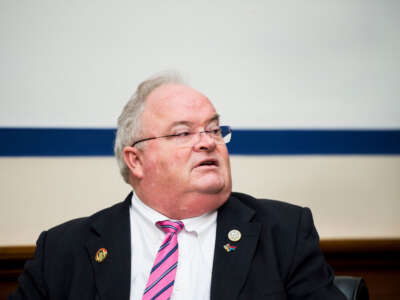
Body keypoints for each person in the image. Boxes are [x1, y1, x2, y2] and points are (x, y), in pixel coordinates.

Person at [9, 73, 346, 299]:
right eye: (183, 133)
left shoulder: (283, 233)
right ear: (135, 160)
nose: (207, 142)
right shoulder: (64, 249)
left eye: (214, 129)